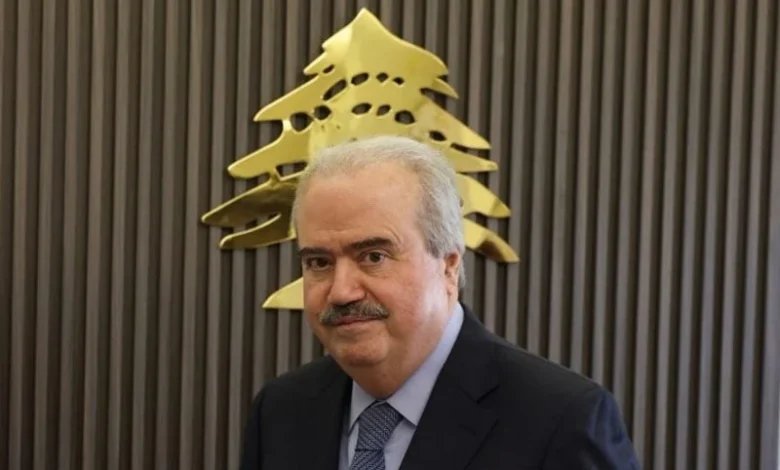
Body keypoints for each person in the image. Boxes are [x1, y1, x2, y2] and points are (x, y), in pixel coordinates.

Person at [239, 135, 640, 469]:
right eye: (319, 262)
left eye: (373, 256)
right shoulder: (281, 411)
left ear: (449, 266)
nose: (342, 292)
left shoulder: (562, 419)